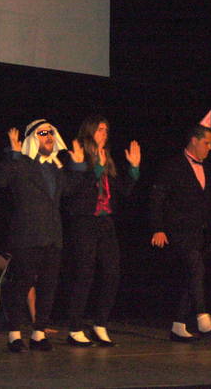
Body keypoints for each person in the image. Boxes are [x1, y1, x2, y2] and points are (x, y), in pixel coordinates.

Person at [0, 119, 84, 353]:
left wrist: (78, 166)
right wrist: (14, 155)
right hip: (27, 235)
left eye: (51, 133)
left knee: (48, 286)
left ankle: (39, 333)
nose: (49, 137)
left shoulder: (55, 166)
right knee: (21, 284)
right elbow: (0, 180)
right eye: (43, 133)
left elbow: (70, 190)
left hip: (52, 235)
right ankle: (14, 334)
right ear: (33, 138)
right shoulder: (21, 163)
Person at [150, 111, 211, 342]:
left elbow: (210, 201)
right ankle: (202, 316)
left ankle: (178, 325)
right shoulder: (173, 166)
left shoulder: (208, 169)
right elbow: (157, 198)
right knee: (196, 268)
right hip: (178, 231)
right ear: (194, 140)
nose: (210, 148)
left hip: (199, 233)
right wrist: (158, 227)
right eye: (207, 143)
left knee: (191, 276)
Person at [64, 115, 141, 347]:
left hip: (105, 222)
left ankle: (100, 323)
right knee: (84, 274)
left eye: (106, 130)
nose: (104, 134)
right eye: (100, 129)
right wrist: (96, 168)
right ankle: (75, 327)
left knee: (112, 272)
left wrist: (134, 169)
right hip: (84, 221)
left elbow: (123, 191)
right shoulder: (78, 154)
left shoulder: (107, 158)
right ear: (89, 131)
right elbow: (73, 190)